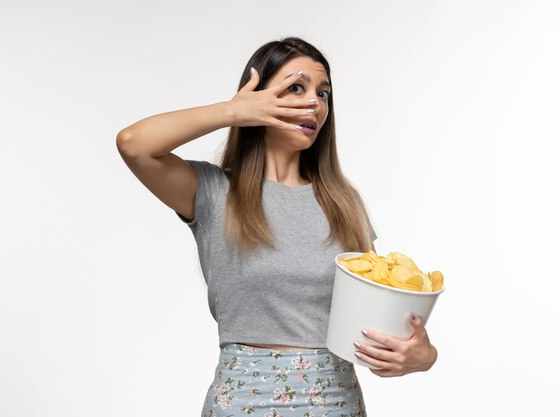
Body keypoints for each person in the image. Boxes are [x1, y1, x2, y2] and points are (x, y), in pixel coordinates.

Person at [116, 36, 437, 417]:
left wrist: (423, 355)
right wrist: (233, 111)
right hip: (241, 404)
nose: (314, 103)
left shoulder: (343, 203)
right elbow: (134, 143)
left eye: (324, 93)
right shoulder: (213, 192)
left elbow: (378, 322)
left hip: (335, 403)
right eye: (295, 88)